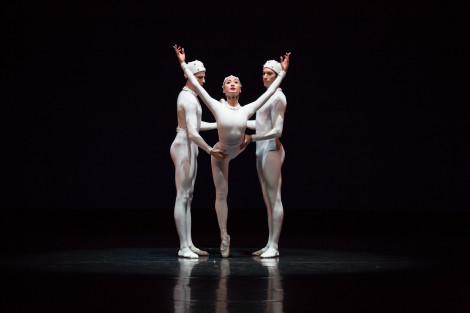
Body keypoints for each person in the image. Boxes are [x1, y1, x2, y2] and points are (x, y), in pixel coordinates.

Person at [173, 45, 290, 257]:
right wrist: (182, 63)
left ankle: (272, 244)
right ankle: (224, 235)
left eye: (236, 82)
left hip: (242, 147)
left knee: (270, 195)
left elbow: (272, 91)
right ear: (223, 90)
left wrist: (283, 71)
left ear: (241, 89)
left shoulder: (248, 108)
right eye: (228, 82)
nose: (232, 84)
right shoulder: (216, 106)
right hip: (221, 152)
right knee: (221, 193)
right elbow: (198, 88)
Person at [170, 60, 227, 259]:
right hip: (184, 144)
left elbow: (196, 125)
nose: (203, 81)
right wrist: (210, 149)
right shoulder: (186, 99)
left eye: (203, 77)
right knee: (183, 196)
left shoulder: (191, 98)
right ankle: (183, 246)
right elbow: (192, 132)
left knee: (189, 196)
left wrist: (217, 124)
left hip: (189, 144)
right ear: (189, 76)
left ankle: (189, 243)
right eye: (199, 77)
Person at [241, 60, 287, 258]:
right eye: (264, 73)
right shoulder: (267, 96)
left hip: (271, 150)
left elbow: (277, 130)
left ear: (277, 76)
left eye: (270, 73)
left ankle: (274, 246)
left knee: (274, 198)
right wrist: (233, 120)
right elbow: (260, 123)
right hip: (261, 150)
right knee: (268, 200)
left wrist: (252, 138)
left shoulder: (278, 98)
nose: (265, 76)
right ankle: (269, 244)